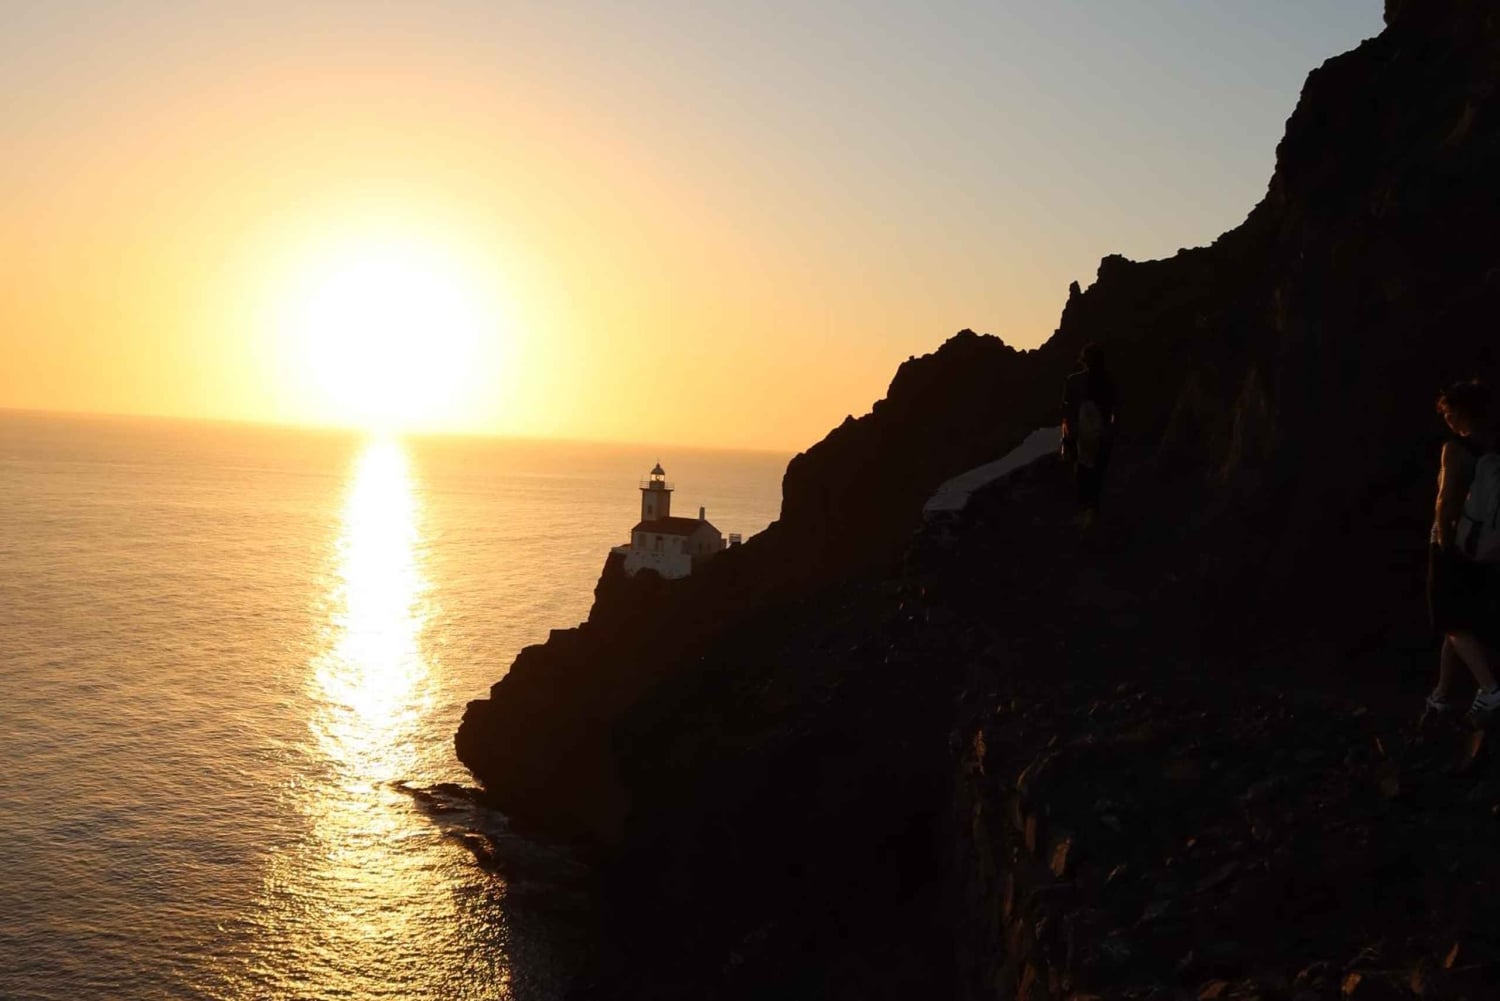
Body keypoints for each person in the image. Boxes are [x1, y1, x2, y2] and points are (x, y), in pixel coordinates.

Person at [1425, 379, 1500, 714]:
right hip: (1483, 544)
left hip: (1451, 542)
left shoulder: (1455, 448)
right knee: (1457, 621)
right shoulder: (1490, 448)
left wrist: (1442, 541)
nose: (1446, 418)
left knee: (1450, 621)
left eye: (1448, 411)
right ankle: (1440, 694)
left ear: (1461, 411)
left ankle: (1491, 691)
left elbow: (1445, 499)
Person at [1061, 342, 1120, 528]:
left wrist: (1069, 436)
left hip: (1080, 436)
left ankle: (1085, 516)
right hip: (1102, 436)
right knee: (1097, 475)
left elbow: (1068, 411)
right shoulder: (1109, 382)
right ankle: (1093, 514)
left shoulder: (1073, 381)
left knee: (1082, 474)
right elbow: (1115, 411)